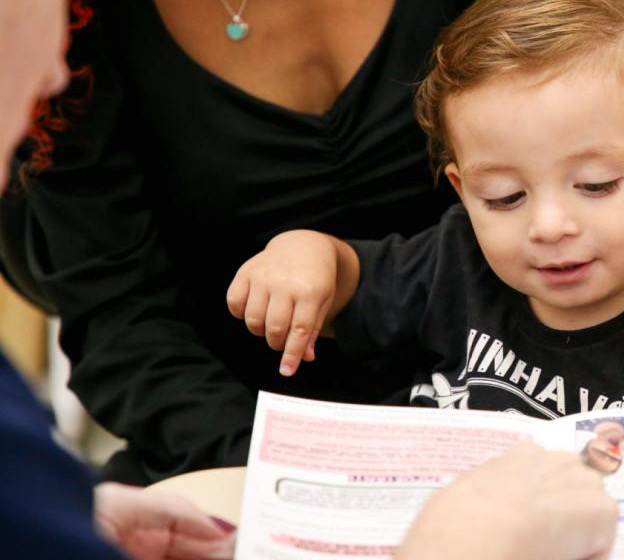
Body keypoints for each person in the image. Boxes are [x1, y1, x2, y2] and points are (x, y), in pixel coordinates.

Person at [2, 2, 617, 559]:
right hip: (225, 454)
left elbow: (611, 199)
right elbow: (121, 320)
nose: (50, 79)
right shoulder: (74, 28)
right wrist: (287, 481)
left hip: (507, 420)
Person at [228, 0, 624, 484]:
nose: (548, 226)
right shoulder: (459, 259)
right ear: (462, 189)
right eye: (505, 198)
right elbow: (349, 279)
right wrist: (307, 251)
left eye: (595, 185)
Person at [11, 0, 476, 485]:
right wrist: (272, 475)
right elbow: (117, 317)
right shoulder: (62, 24)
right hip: (224, 439)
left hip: (499, 392)